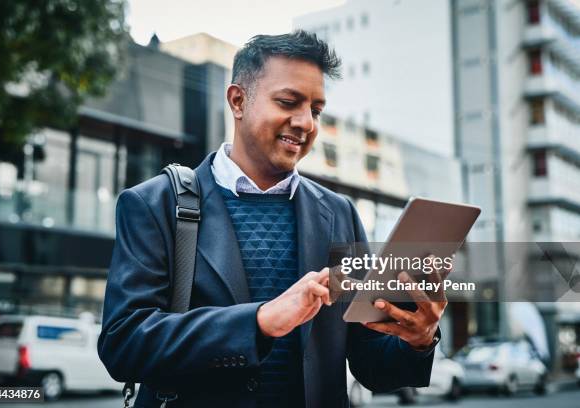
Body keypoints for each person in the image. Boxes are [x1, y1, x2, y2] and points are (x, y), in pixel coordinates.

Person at [98, 30, 446, 408]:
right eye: (288, 102)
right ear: (237, 100)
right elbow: (123, 342)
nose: (306, 123)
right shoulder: (153, 204)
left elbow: (371, 365)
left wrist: (419, 339)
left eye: (315, 110)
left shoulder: (340, 214)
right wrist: (261, 322)